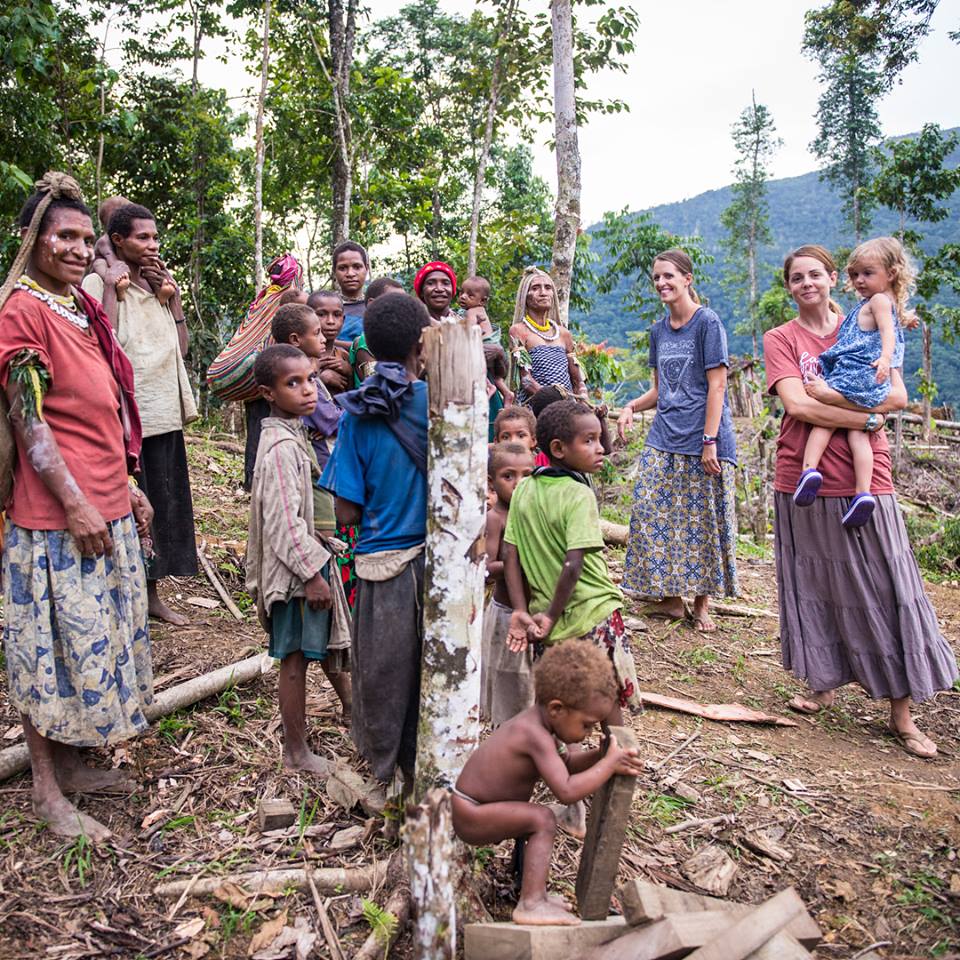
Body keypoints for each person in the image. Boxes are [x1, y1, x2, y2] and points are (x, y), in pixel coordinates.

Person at [0, 174, 153, 842]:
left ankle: (72, 763)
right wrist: (75, 502)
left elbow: (101, 405)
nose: (77, 248)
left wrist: (126, 484)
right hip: (58, 512)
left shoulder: (74, 305)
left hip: (104, 496)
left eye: (86, 239)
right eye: (64, 235)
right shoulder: (21, 309)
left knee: (90, 640)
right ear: (33, 239)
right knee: (47, 649)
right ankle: (45, 788)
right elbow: (28, 418)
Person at [764, 244, 958, 758]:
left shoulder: (867, 320)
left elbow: (896, 397)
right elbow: (796, 403)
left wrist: (868, 419)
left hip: (867, 480)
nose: (807, 284)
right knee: (814, 581)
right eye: (797, 277)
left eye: (816, 275)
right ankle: (822, 685)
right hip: (801, 473)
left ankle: (902, 713)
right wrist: (866, 419)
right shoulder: (780, 338)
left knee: (887, 584)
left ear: (833, 279)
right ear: (789, 286)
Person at [452, 641, 644, 926]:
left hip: (479, 808)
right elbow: (565, 791)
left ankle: (535, 895)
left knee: (537, 817)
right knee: (542, 819)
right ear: (557, 708)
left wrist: (599, 755)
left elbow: (564, 766)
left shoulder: (544, 727)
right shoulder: (534, 735)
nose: (589, 732)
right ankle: (531, 903)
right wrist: (608, 765)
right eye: (587, 725)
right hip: (472, 812)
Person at [320, 292, 429, 789]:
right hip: (443, 565)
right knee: (433, 675)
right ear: (421, 345)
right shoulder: (441, 403)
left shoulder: (356, 414)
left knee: (384, 679)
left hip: (382, 564)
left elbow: (346, 510)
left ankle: (389, 777)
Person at [82, 202, 199, 625]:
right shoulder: (99, 281)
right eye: (141, 238)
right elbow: (101, 342)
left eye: (154, 237)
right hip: (126, 418)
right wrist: (114, 288)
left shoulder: (158, 285)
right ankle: (123, 593)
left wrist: (175, 301)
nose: (152, 245)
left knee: (163, 507)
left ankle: (151, 594)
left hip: (162, 412)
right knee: (131, 506)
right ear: (118, 241)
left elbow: (180, 349)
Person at [617, 249, 738, 633]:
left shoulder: (707, 323)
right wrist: (631, 407)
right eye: (656, 278)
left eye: (668, 276)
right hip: (664, 434)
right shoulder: (658, 331)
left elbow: (717, 385)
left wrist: (709, 441)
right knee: (650, 510)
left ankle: (701, 605)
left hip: (706, 436)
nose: (661, 283)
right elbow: (660, 390)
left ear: (687, 278)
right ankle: (669, 599)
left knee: (704, 518)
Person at [246, 344, 352, 771]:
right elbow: (284, 521)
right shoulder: (279, 449)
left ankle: (351, 712)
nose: (308, 390)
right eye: (293, 384)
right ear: (268, 393)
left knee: (319, 646)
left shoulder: (293, 435)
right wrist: (312, 574)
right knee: (293, 660)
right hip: (293, 573)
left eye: (310, 379)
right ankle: (295, 751)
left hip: (305, 563)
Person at [503, 400, 641, 718]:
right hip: (594, 613)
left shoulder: (524, 490)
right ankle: (622, 764)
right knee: (611, 709)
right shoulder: (578, 495)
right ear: (559, 448)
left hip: (546, 626)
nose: (600, 449)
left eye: (598, 438)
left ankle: (565, 768)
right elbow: (573, 564)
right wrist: (551, 614)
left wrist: (521, 610)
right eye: (588, 441)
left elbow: (511, 554)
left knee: (562, 715)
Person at [794, 238, 910, 528]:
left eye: (867, 274)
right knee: (859, 435)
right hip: (871, 386)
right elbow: (891, 324)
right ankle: (863, 493)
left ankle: (809, 470)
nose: (859, 280)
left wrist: (884, 359)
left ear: (891, 273)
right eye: (855, 274)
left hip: (857, 375)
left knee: (824, 420)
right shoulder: (883, 303)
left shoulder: (878, 301)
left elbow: (888, 334)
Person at [482, 442, 536, 727]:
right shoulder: (495, 518)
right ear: (491, 482)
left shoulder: (535, 512)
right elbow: (488, 568)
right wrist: (524, 559)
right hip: (506, 613)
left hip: (535, 611)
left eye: (527, 475)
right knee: (508, 681)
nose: (519, 484)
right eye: (508, 476)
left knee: (531, 683)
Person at [509, 267, 587, 406]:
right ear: (525, 296)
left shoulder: (564, 334)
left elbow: (577, 380)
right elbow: (526, 380)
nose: (543, 293)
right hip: (535, 406)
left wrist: (583, 396)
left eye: (548, 287)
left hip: (568, 406)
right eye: (536, 288)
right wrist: (553, 399)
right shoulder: (519, 331)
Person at [349, 276, 404, 387]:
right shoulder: (366, 342)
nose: (402, 308)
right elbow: (379, 384)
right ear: (372, 304)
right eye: (395, 301)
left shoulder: (395, 340)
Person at [307, 289, 352, 395]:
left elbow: (354, 394)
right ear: (308, 317)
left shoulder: (344, 356)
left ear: (343, 319)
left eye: (337, 315)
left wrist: (349, 372)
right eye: (321, 314)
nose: (331, 321)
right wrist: (321, 380)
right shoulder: (300, 356)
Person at [332, 241, 370, 343]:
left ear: (366, 269)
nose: (350, 274)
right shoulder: (323, 307)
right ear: (334, 271)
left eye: (357, 267)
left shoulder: (375, 306)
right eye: (342, 268)